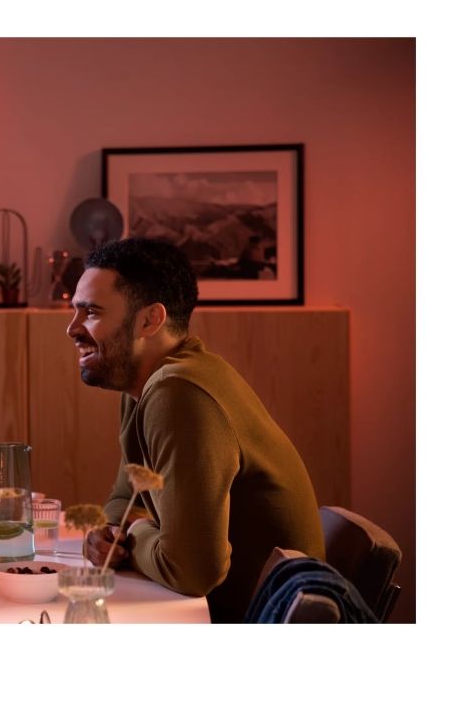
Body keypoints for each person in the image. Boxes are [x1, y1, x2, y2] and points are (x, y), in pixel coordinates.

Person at [69, 237, 325, 623]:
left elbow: (192, 571)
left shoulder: (178, 392)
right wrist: (108, 533)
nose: (71, 328)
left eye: (91, 312)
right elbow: (125, 498)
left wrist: (132, 536)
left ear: (149, 320)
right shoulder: (144, 383)